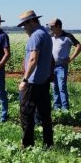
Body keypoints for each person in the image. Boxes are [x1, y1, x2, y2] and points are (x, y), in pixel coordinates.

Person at [18, 10, 54, 148]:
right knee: (45, 114)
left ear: (32, 21)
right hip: (43, 81)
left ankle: (27, 145)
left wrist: (24, 79)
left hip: (32, 82)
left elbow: (33, 59)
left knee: (26, 113)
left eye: (25, 25)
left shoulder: (36, 36)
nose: (24, 28)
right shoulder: (45, 34)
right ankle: (48, 143)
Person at [48, 18, 81, 111]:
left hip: (61, 66)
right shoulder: (50, 36)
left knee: (62, 87)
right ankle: (56, 107)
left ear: (58, 26)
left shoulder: (68, 36)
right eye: (50, 26)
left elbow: (79, 46)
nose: (50, 28)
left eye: (52, 26)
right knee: (54, 87)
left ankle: (65, 108)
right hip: (51, 66)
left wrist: (71, 58)